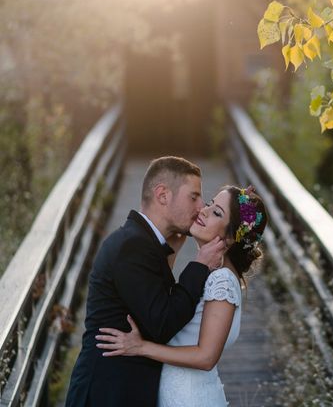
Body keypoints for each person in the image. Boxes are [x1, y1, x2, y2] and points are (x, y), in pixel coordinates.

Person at [66, 156, 227, 407]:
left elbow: (157, 305)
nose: (200, 207)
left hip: (123, 389)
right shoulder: (132, 245)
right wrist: (200, 265)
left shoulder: (145, 244)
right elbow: (163, 323)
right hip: (108, 393)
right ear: (163, 194)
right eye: (193, 197)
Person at [95, 185, 267, 407]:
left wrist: (140, 347)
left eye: (217, 213)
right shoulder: (212, 273)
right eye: (210, 203)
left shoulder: (222, 280)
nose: (204, 211)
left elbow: (206, 357)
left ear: (232, 238)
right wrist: (172, 251)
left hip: (190, 398)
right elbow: (169, 310)